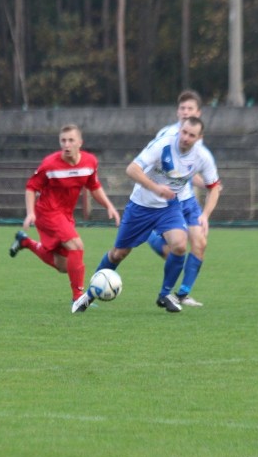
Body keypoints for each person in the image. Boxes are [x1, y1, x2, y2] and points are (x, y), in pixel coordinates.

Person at [72, 116, 218, 314]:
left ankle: (165, 294)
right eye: (183, 132)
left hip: (169, 207)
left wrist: (205, 214)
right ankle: (88, 295)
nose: (185, 138)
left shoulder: (202, 156)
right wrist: (156, 188)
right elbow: (131, 169)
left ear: (199, 137)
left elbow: (214, 187)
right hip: (141, 206)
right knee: (118, 253)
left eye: (191, 135)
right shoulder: (163, 145)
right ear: (179, 130)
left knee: (180, 245)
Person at [9, 124, 120, 308]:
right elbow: (31, 187)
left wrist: (109, 206)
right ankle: (78, 298)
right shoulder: (50, 164)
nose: (66, 145)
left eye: (71, 140)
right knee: (77, 245)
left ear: (80, 143)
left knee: (64, 265)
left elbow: (93, 186)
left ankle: (25, 242)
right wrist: (30, 213)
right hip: (47, 213)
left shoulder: (89, 162)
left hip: (65, 215)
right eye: (63, 141)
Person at [145, 90, 222, 306]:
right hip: (167, 201)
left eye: (190, 109)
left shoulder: (197, 139)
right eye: (182, 109)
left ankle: (182, 294)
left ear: (198, 113)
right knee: (175, 250)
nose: (185, 112)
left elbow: (191, 172)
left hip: (187, 200)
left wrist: (209, 187)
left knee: (200, 243)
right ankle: (151, 237)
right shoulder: (167, 135)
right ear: (177, 112)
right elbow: (157, 168)